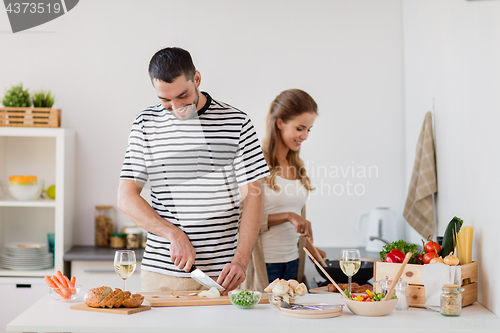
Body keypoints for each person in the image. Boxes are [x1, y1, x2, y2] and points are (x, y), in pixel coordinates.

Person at [117, 47, 269, 293]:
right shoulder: (145, 124)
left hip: (222, 277)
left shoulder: (237, 123)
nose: (177, 107)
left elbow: (254, 196)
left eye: (182, 95)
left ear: (196, 79)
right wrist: (173, 234)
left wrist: (240, 260)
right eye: (165, 100)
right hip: (162, 276)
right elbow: (126, 197)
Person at [242, 89, 326, 291]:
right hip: (265, 266)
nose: (305, 136)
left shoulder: (297, 166)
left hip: (294, 265)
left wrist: (311, 249)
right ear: (280, 123)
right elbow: (239, 221)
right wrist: (287, 216)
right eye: (300, 128)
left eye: (309, 130)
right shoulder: (254, 162)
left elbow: (298, 221)